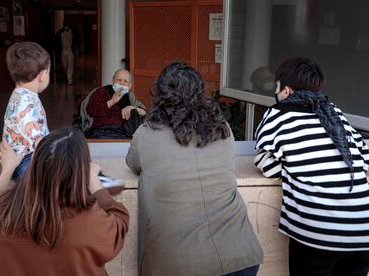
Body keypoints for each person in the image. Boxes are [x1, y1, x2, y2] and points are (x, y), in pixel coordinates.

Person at [126, 62, 263, 276]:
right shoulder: (221, 127)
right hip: (240, 253)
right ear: (199, 93)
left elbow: (132, 163)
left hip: (179, 263)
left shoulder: (146, 134)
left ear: (160, 94)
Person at [254, 57, 369, 276]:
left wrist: (293, 167)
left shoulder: (278, 114)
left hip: (317, 233)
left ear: (286, 90)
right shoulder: (334, 112)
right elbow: (363, 157)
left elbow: (265, 164)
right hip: (361, 234)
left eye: (276, 87)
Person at [0, 127, 129, 276]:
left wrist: (7, 171)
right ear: (81, 173)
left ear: (34, 164)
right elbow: (119, 221)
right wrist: (93, 180)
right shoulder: (93, 224)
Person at [3, 41, 50, 180]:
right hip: (24, 161)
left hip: (26, 156)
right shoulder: (25, 101)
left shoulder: (21, 94)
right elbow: (30, 126)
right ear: (43, 74)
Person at [83, 68, 146, 138]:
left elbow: (144, 111)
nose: (122, 83)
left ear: (130, 85)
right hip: (101, 130)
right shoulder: (101, 91)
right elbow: (92, 110)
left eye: (125, 81)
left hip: (124, 133)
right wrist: (112, 101)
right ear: (113, 81)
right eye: (119, 80)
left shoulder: (130, 96)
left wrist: (131, 107)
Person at [55, 20, 78, 85]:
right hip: (63, 52)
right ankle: (67, 76)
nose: (66, 27)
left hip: (71, 52)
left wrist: (76, 50)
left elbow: (76, 41)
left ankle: (70, 80)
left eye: (67, 25)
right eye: (65, 25)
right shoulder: (60, 32)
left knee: (70, 66)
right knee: (64, 66)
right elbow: (57, 42)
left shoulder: (73, 32)